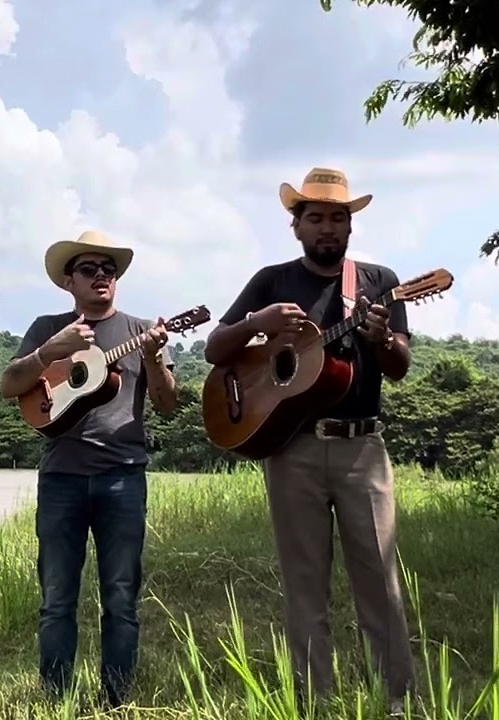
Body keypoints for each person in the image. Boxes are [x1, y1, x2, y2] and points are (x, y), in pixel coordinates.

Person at [203, 168, 416, 714]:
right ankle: (314, 702)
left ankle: (396, 700)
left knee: (381, 582)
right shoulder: (272, 281)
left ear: (350, 226)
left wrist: (381, 337)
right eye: (316, 217)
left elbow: (399, 366)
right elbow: (215, 349)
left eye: (338, 218)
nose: (328, 228)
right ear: (296, 226)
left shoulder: (378, 282)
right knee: (305, 586)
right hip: (292, 449)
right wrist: (261, 318)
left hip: (362, 450)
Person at [0, 230, 179, 707]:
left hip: (123, 476)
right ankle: (55, 700)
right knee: (57, 598)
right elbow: (9, 385)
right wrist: (49, 351)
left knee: (121, 599)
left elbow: (167, 405)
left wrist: (156, 359)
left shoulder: (141, 330)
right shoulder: (48, 326)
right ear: (68, 280)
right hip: (61, 477)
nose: (101, 277)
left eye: (109, 270)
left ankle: (114, 701)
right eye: (89, 269)